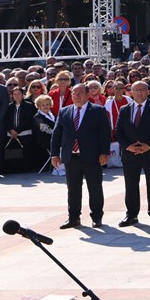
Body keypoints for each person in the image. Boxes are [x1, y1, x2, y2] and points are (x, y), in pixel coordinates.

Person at [50, 83, 111, 229]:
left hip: (92, 156)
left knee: (95, 188)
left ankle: (96, 217)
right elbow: (56, 134)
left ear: (87, 94)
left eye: (80, 93)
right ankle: (73, 218)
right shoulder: (64, 111)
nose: (76, 96)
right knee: (73, 189)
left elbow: (105, 133)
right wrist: (54, 155)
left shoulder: (98, 110)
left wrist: (105, 152)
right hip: (71, 156)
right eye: (74, 94)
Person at [116, 81, 150, 227]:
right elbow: (119, 131)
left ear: (148, 91)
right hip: (130, 154)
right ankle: (131, 215)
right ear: (131, 92)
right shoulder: (125, 109)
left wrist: (148, 145)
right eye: (136, 90)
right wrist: (128, 146)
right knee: (131, 185)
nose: (139, 93)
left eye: (142, 90)